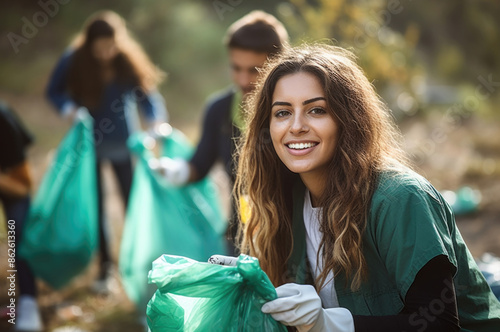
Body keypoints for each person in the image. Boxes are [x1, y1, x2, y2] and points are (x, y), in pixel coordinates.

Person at [228, 44, 500, 331]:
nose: (296, 126)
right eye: (282, 113)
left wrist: (328, 323)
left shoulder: (401, 199)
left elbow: (439, 324)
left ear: (348, 120)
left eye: (316, 110)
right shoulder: (285, 200)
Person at [46, 10, 168, 291]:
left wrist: (154, 123)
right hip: (89, 146)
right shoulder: (73, 59)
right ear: (89, 45)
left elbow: (147, 96)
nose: (105, 54)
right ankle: (105, 269)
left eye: (110, 47)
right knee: (97, 205)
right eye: (100, 49)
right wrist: (69, 109)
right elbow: (54, 91)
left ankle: (144, 262)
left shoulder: (126, 59)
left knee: (132, 201)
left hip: (124, 143)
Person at [157, 10, 288, 254]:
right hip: (240, 235)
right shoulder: (220, 110)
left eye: (255, 70)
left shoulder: (293, 113)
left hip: (290, 237)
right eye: (236, 68)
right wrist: (177, 171)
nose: (243, 79)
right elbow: (201, 163)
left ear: (279, 65)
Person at [0, 100, 43, 331]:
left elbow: (23, 186)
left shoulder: (3, 120)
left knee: (18, 234)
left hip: (10, 182)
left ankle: (28, 302)